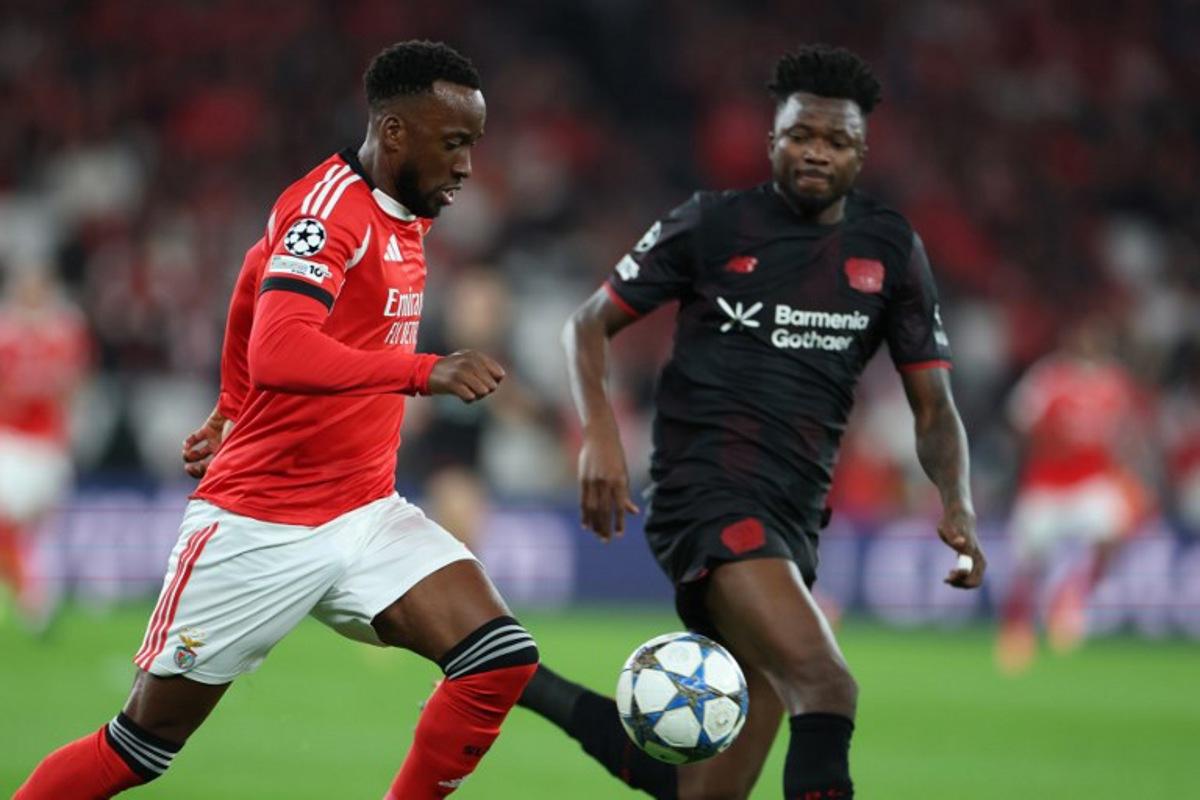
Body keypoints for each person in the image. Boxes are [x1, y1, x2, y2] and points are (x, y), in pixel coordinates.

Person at [16, 40, 538, 800]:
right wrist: (423, 371)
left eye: (473, 145)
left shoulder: (405, 208)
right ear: (395, 132)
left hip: (364, 512)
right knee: (139, 748)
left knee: (498, 658)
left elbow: (250, 275)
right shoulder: (328, 213)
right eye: (454, 143)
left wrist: (232, 403)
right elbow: (282, 348)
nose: (466, 166)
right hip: (259, 523)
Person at [517, 45, 986, 799]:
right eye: (801, 134)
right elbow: (587, 326)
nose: (816, 152)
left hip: (795, 516)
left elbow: (934, 405)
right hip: (707, 498)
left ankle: (519, 678)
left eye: (836, 140)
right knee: (827, 685)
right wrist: (600, 434)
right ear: (772, 140)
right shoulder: (713, 224)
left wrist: (956, 502)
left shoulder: (891, 250)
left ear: (862, 153)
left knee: (707, 792)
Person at [996, 318, 1151, 674]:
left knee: (1115, 530)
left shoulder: (1113, 382)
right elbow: (1018, 423)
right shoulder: (1049, 377)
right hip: (1046, 485)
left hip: (1089, 483)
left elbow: (1128, 432)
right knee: (1029, 564)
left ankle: (1071, 593)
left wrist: (1127, 470)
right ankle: (1017, 628)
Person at [0, 267, 89, 630]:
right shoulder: (6, 333)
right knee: (8, 526)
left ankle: (35, 596)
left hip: (45, 446)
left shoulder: (65, 331)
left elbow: (70, 384)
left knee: (20, 528)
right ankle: (33, 599)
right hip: (9, 441)